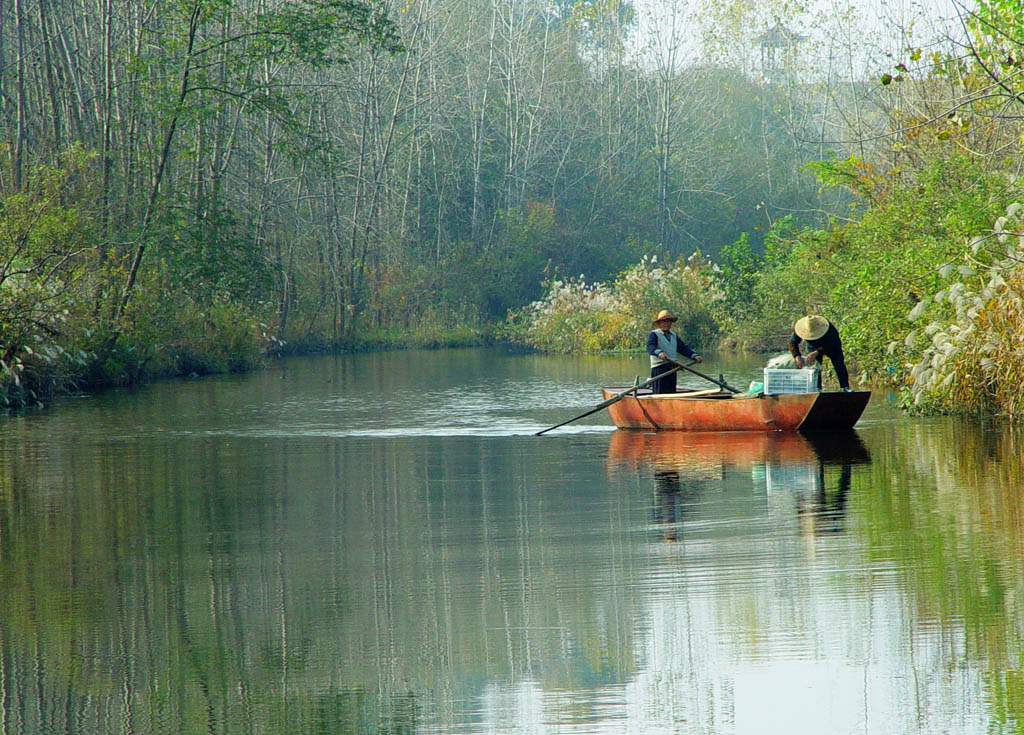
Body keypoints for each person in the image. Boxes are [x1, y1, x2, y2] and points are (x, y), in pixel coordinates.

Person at [789, 315, 853, 392]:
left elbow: (832, 342)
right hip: (812, 346)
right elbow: (792, 342)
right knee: (815, 367)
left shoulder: (828, 328)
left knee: (839, 364)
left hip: (831, 346)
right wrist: (797, 356)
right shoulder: (801, 328)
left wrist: (817, 352)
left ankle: (845, 387)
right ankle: (817, 388)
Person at [646, 309, 702, 394]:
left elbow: (683, 348)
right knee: (660, 393)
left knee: (671, 392)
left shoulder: (673, 335)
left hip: (672, 367)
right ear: (659, 323)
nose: (666, 324)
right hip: (659, 368)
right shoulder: (654, 334)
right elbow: (650, 347)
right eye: (664, 321)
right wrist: (659, 353)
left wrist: (694, 356)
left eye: (668, 321)